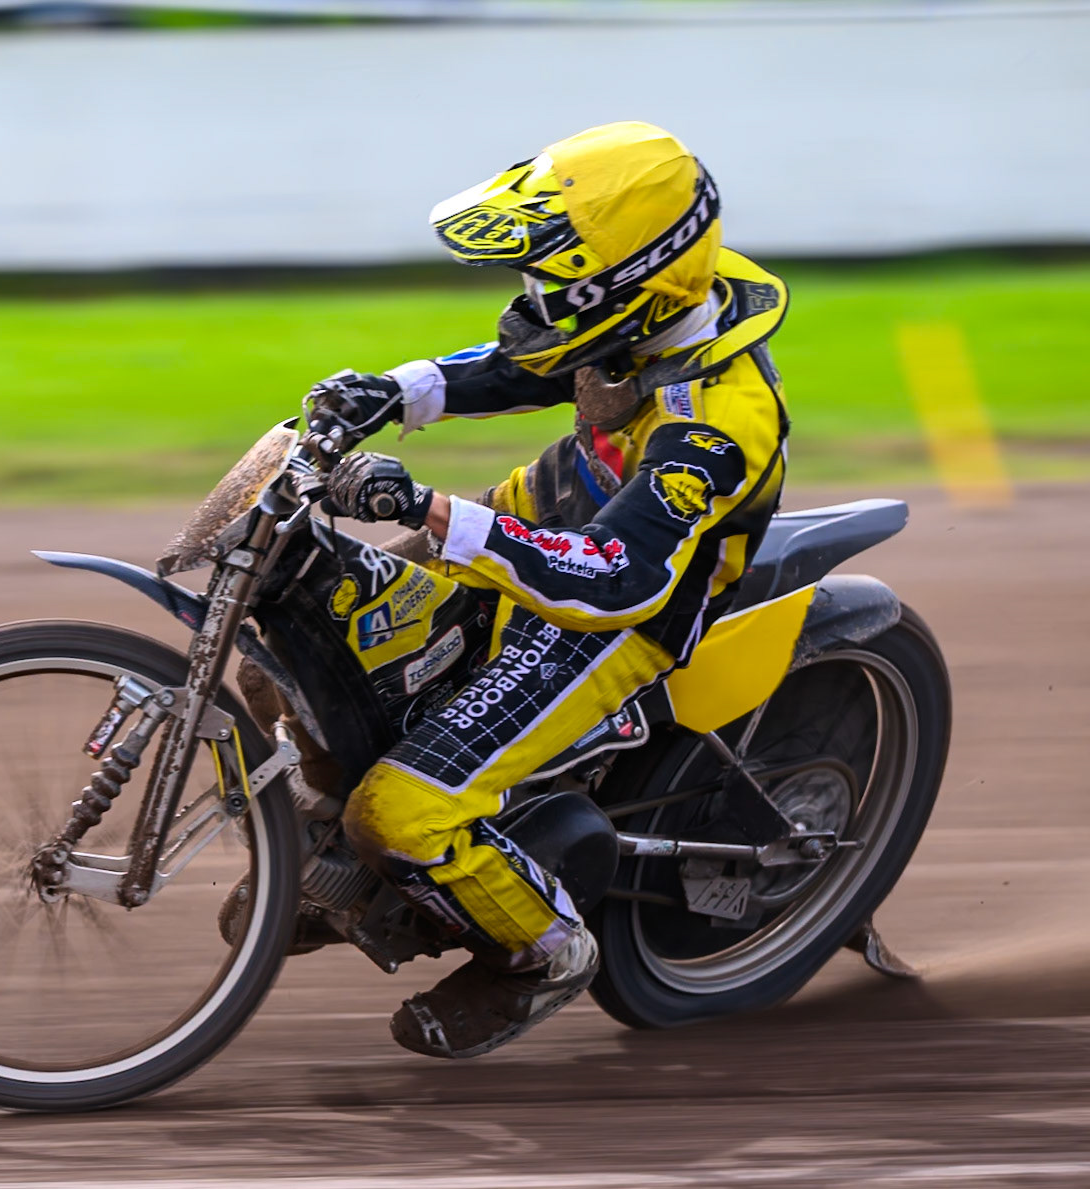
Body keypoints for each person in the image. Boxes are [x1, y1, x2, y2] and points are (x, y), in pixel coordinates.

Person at [306, 121, 790, 1059]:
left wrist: (432, 511)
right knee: (313, 634)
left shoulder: (724, 416)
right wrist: (391, 394)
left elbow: (615, 580)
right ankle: (340, 877)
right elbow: (523, 363)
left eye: (552, 283)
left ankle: (545, 952)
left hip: (614, 617)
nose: (532, 301)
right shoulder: (646, 317)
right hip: (538, 519)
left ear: (631, 286)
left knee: (399, 815)